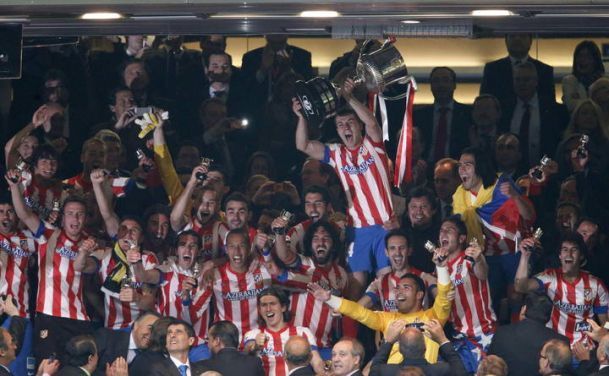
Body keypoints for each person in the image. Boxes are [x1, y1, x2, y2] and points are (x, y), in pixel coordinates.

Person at [293, 78, 394, 299]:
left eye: (350, 123)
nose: (345, 128)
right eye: (340, 125)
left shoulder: (372, 145)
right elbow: (303, 145)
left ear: (358, 125)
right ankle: (349, 333)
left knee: (388, 287)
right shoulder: (336, 153)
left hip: (384, 227)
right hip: (357, 230)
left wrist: (349, 97)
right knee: (354, 290)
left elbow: (373, 124)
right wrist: (301, 118)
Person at [7, 172, 98, 363]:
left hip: (79, 318)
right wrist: (15, 186)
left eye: (80, 214)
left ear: (85, 219)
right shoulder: (47, 234)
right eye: (70, 214)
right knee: (47, 369)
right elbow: (24, 213)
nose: (75, 218)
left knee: (78, 370)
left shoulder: (91, 243)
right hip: (48, 316)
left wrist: (83, 252)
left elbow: (84, 267)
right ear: (62, 218)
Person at [308, 244, 453, 364]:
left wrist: (441, 267)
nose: (399, 292)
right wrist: (330, 299)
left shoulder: (433, 317)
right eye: (397, 288)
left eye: (406, 288)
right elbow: (359, 312)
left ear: (419, 295)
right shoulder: (387, 319)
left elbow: (444, 298)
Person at [515, 232, 609, 346]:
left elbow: (606, 322)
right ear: (559, 255)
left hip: (584, 349)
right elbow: (520, 287)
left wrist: (604, 336)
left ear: (581, 256)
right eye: (565, 249)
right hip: (553, 347)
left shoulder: (596, 285)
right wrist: (525, 256)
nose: (569, 254)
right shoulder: (549, 277)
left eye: (574, 250)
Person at [439, 216, 496, 369]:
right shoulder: (439, 267)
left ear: (461, 238)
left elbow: (483, 273)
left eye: (449, 230)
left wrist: (479, 259)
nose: (443, 233)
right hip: (460, 337)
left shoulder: (469, 259)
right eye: (441, 230)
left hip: (483, 333)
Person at [499, 62, 568, 167]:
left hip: (546, 172)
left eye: (526, 80)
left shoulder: (555, 110)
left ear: (536, 81)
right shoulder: (504, 109)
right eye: (518, 80)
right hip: (511, 174)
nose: (522, 84)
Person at [243, 287, 324, 376]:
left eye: (273, 303)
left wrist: (325, 371)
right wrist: (255, 345)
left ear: (283, 307)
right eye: (264, 305)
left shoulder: (303, 333)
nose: (268, 309)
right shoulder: (253, 334)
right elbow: (246, 352)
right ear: (259, 310)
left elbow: (317, 363)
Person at [209, 228, 273, 339]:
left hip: (259, 339)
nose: (237, 252)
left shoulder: (263, 271)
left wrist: (266, 251)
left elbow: (283, 274)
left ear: (249, 249)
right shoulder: (214, 276)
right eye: (232, 246)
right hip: (227, 342)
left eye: (242, 246)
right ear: (226, 249)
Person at [488, 291, 569, 376]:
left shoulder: (502, 333)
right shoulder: (562, 343)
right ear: (549, 316)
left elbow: (490, 366)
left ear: (524, 309)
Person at [358, 229, 437, 312]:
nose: (397, 253)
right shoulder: (380, 282)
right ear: (386, 252)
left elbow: (442, 300)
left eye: (402, 248)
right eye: (392, 248)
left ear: (409, 251)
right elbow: (358, 309)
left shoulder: (425, 278)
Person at [480, 33, 555, 110]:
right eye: (512, 36)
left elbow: (549, 104)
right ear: (506, 41)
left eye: (523, 36)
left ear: (530, 41)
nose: (517, 39)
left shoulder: (544, 70)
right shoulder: (492, 69)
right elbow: (484, 101)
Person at [413, 66, 472, 162]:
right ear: (431, 86)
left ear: (454, 85)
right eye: (436, 81)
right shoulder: (418, 115)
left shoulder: (468, 113)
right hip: (424, 167)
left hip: (459, 167)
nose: (441, 85)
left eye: (445, 80)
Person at [369, 318, 466, 376]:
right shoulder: (442, 370)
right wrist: (442, 340)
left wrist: (388, 341)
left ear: (400, 350)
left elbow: (375, 369)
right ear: (425, 347)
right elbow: (460, 372)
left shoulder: (386, 372)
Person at [94, 311, 159, 374]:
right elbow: (86, 368)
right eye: (150, 328)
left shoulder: (153, 359)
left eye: (156, 332)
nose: (152, 335)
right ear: (136, 325)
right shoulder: (107, 337)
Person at [193, 321, 264, 376]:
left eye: (208, 339)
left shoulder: (201, 366)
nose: (208, 344)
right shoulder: (254, 363)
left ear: (217, 341)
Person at [562, 40, 606, 113]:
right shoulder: (570, 81)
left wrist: (580, 100)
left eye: (587, 56)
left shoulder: (604, 82)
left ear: (595, 60)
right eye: (580, 56)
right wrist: (598, 101)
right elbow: (571, 105)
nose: (582, 60)